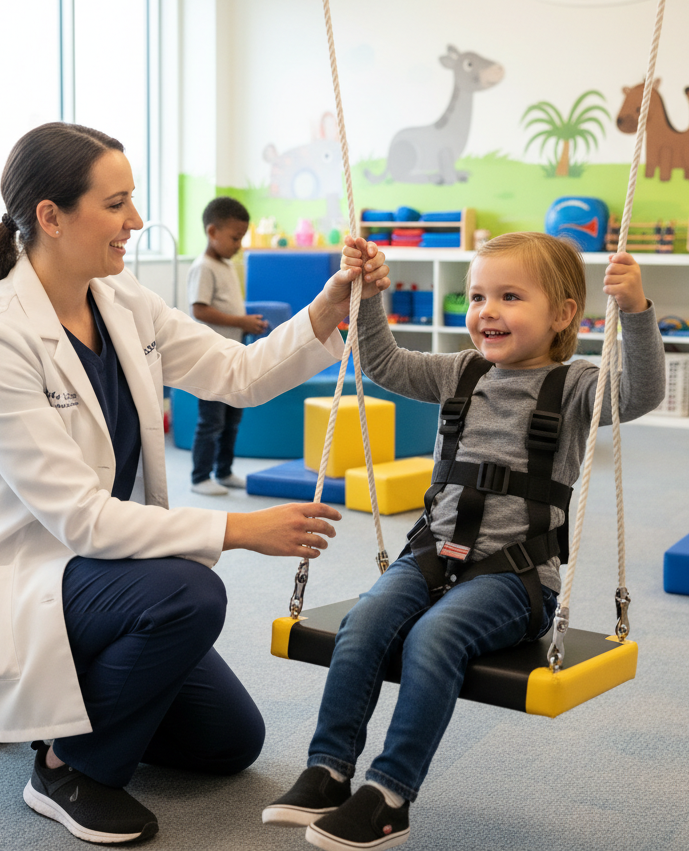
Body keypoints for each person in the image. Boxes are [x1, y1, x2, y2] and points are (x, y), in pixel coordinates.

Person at [0, 122, 390, 846]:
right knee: (189, 592)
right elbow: (81, 520)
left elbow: (238, 374)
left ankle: (52, 708)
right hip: (2, 582)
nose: (135, 221)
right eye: (117, 203)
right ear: (50, 216)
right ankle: (66, 767)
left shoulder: (120, 297)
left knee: (230, 744)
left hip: (84, 577)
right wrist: (237, 529)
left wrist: (326, 308)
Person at [263, 232, 665, 851]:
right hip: (432, 553)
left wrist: (635, 312)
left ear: (562, 313)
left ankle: (390, 794)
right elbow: (382, 361)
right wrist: (369, 295)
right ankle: (329, 770)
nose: (488, 311)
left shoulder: (578, 385)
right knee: (365, 622)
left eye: (510, 296)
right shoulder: (461, 372)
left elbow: (639, 395)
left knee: (434, 637)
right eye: (478, 296)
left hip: (516, 577)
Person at [187, 196, 266, 495]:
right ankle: (199, 477)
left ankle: (224, 470)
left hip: (231, 354)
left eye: (241, 238)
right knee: (211, 421)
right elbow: (200, 309)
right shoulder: (203, 267)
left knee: (232, 418)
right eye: (235, 238)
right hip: (210, 358)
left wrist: (245, 322)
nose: (239, 245)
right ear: (212, 232)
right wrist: (240, 322)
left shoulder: (226, 264)